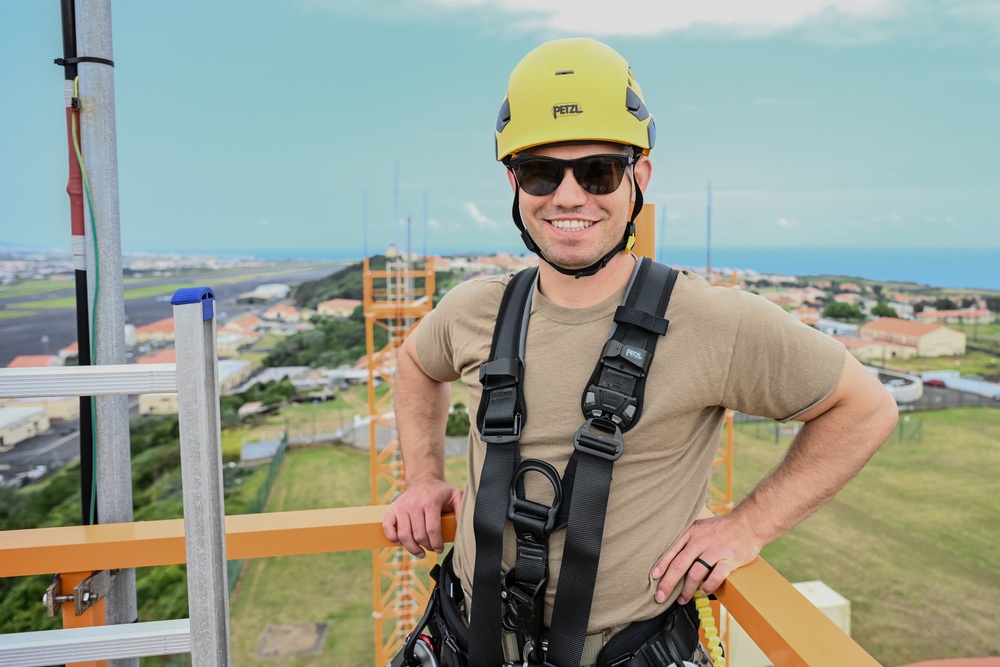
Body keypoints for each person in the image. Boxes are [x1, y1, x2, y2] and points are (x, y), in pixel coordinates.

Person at [383, 37, 898, 667]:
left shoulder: (712, 320)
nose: (569, 197)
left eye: (597, 171)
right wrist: (423, 478)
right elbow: (416, 363)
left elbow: (865, 407)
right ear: (514, 183)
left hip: (626, 650)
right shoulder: (475, 310)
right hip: (471, 638)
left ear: (639, 178)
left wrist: (749, 527)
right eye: (543, 172)